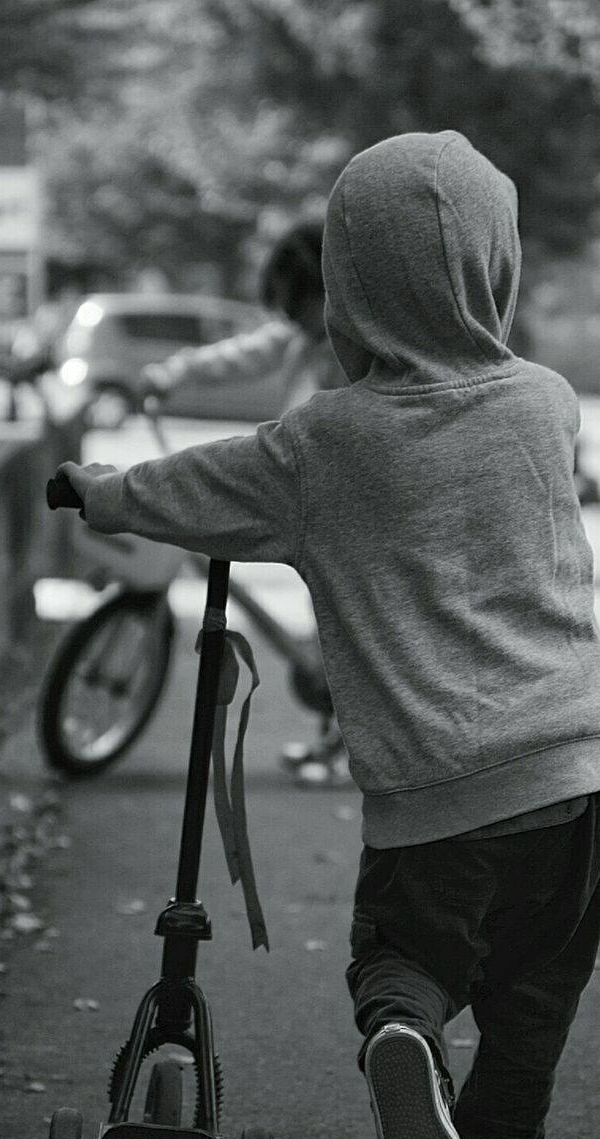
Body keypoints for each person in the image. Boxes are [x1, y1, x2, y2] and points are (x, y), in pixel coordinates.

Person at [55, 131, 600, 1139]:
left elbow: (195, 487)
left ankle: (403, 1027)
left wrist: (103, 492)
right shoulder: (547, 405)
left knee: (400, 954)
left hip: (429, 792)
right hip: (567, 775)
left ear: (346, 282)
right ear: (492, 265)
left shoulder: (321, 443)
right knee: (531, 997)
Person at [142, 221, 349, 785]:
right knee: (334, 625)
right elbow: (241, 354)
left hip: (347, 508)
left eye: (294, 303)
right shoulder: (301, 339)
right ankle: (339, 735)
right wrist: (175, 372)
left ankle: (352, 739)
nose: (288, 317)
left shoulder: (353, 346)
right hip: (310, 504)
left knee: (349, 626)